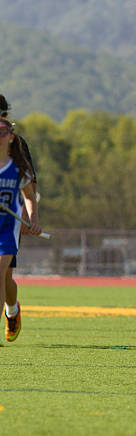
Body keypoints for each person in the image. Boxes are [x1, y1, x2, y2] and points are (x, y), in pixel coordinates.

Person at [0, 118, 42, 346]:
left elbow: (29, 189)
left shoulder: (16, 152)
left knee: (3, 275)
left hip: (7, 224)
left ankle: (12, 311)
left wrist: (30, 218)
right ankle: (12, 310)